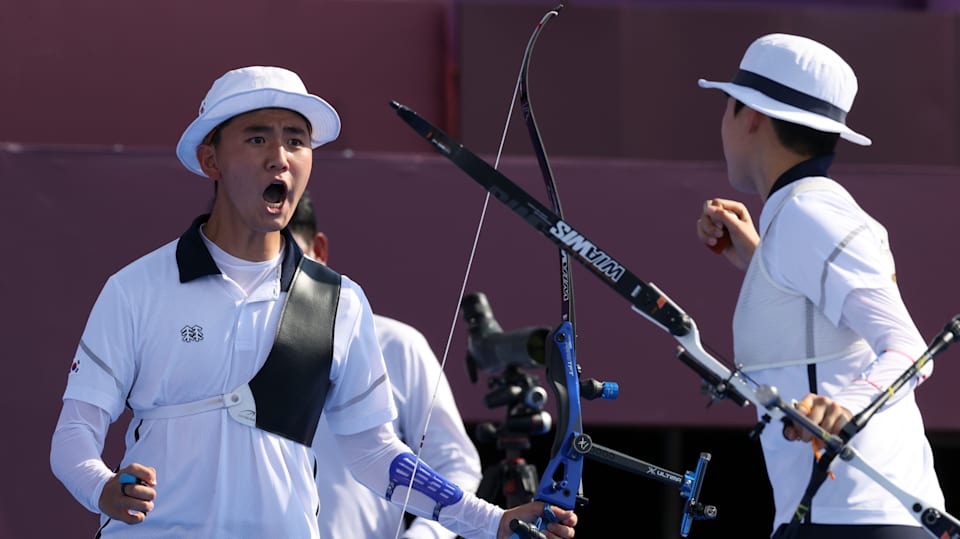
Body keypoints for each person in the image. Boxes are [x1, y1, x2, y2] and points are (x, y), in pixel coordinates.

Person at [49, 65, 576, 539]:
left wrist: (492, 520)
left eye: (296, 141)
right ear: (211, 159)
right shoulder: (135, 289)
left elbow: (375, 453)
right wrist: (103, 488)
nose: (279, 156)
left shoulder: (339, 301)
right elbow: (73, 436)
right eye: (257, 138)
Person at [695, 34, 943, 538]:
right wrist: (760, 262)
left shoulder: (809, 214)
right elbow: (821, 336)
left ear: (751, 116)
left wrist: (844, 407)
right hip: (843, 519)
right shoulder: (799, 215)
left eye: (727, 105)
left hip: (850, 520)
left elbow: (910, 350)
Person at [287, 191, 483, 538]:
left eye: (289, 257)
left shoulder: (397, 345)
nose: (275, 277)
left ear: (318, 250)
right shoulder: (217, 346)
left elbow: (455, 463)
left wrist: (422, 536)